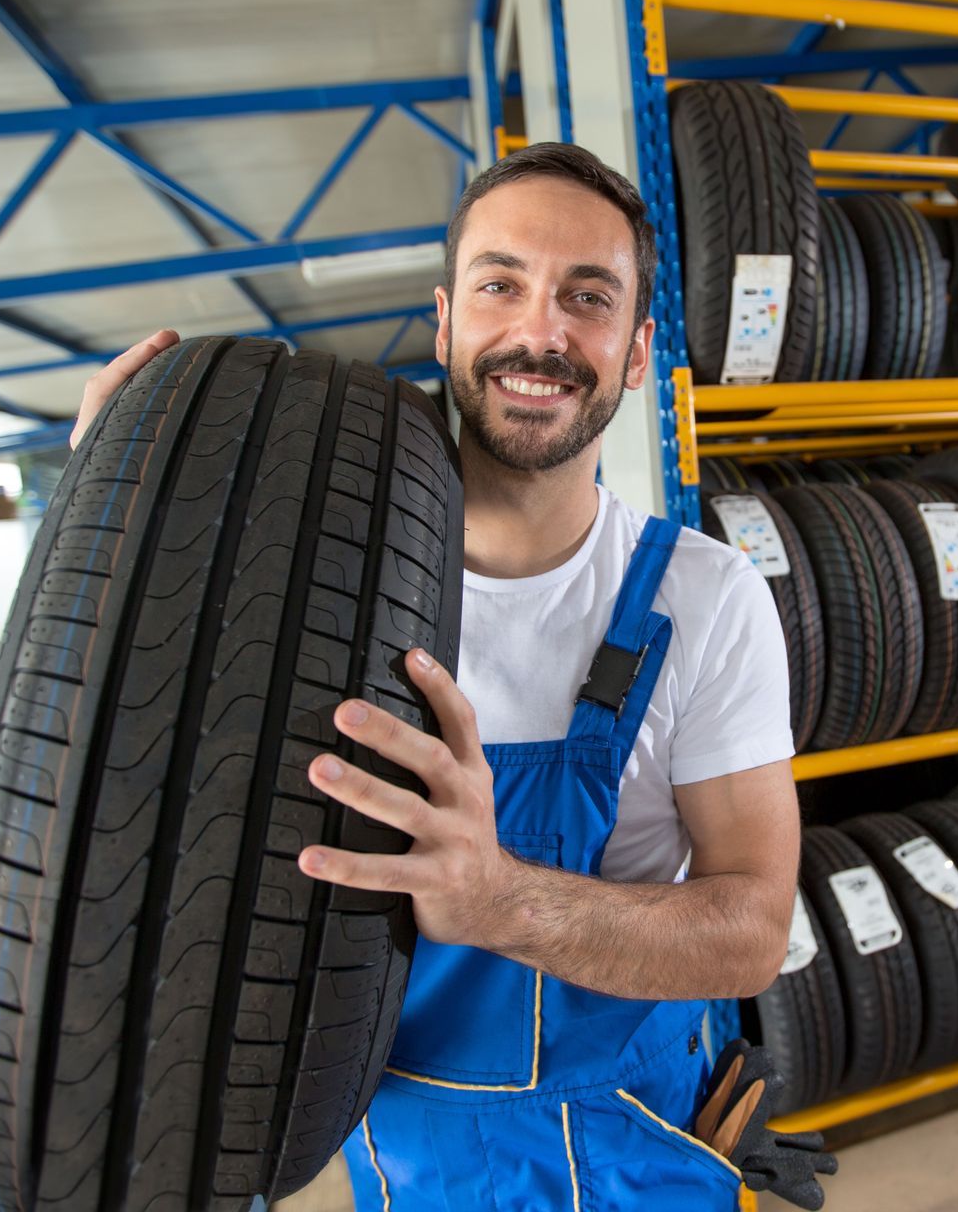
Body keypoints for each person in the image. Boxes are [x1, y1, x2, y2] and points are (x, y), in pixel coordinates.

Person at [69, 143, 802, 1209]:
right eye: (501, 283)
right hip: (398, 1160)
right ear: (447, 320)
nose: (541, 332)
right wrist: (117, 517)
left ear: (638, 350)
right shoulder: (305, 594)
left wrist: (503, 900)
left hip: (638, 1153)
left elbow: (753, 933)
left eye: (587, 298)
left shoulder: (706, 599)